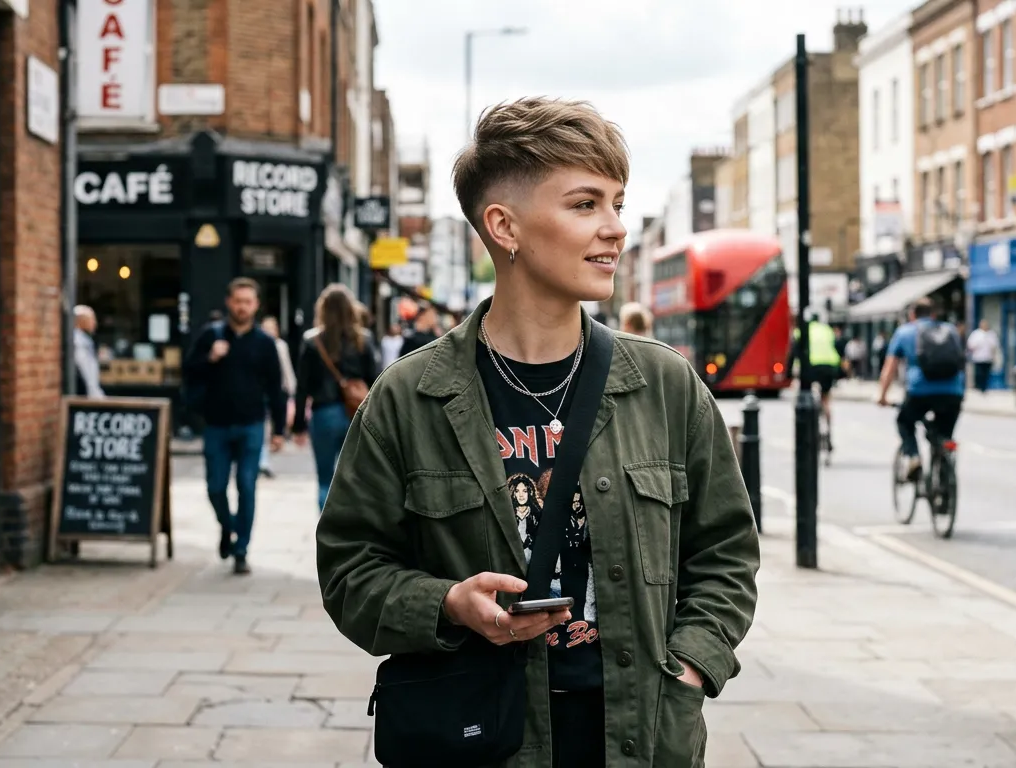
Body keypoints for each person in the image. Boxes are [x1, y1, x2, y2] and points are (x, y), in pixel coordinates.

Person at [314, 96, 759, 768]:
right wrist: (447, 604)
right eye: (586, 205)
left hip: (641, 741)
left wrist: (691, 669)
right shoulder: (411, 398)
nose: (616, 229)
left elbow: (726, 554)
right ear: (504, 226)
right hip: (483, 738)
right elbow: (350, 569)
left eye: (617, 203)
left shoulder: (666, 387)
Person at [183, 278, 288, 575]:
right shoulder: (210, 336)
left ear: (255, 305)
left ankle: (241, 549)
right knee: (215, 487)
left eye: (248, 302)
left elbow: (276, 389)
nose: (242, 307)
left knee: (246, 485)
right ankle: (227, 526)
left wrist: (279, 430)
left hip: (251, 425)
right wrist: (209, 358)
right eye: (238, 301)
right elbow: (188, 372)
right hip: (216, 424)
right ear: (229, 302)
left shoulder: (265, 343)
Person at [294, 284, 380, 511]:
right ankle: (351, 532)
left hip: (323, 414)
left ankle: (327, 532)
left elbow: (302, 387)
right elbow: (378, 381)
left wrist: (298, 426)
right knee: (355, 479)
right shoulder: (364, 339)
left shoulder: (312, 341)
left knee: (325, 480)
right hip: (358, 414)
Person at [876, 298, 966, 480]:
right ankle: (944, 473)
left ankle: (913, 457)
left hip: (919, 392)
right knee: (944, 433)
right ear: (933, 314)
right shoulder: (950, 330)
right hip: (953, 392)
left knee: (905, 422)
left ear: (912, 315)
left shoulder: (905, 332)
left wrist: (882, 396)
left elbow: (890, 369)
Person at [789, 313, 844, 451]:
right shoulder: (827, 329)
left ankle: (809, 422)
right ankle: (829, 428)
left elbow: (794, 352)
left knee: (804, 394)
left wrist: (789, 373)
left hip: (812, 366)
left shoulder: (801, 330)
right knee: (825, 399)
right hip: (830, 366)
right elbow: (837, 348)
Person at [257, 316, 297, 479]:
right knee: (263, 426)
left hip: (277, 390)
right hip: (260, 392)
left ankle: (264, 459)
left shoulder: (280, 346)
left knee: (273, 426)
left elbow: (286, 367)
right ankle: (262, 461)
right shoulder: (257, 344)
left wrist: (291, 388)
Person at [72, 305, 106, 399]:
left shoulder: (85, 339)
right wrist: (94, 392)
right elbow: (86, 369)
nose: (95, 323)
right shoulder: (77, 341)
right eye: (92, 319)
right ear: (81, 321)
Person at [966, 320, 999, 393]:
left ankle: (985, 387)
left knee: (986, 374)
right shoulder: (976, 334)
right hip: (978, 358)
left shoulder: (991, 334)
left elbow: (995, 346)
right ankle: (979, 387)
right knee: (979, 373)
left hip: (988, 358)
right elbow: (970, 345)